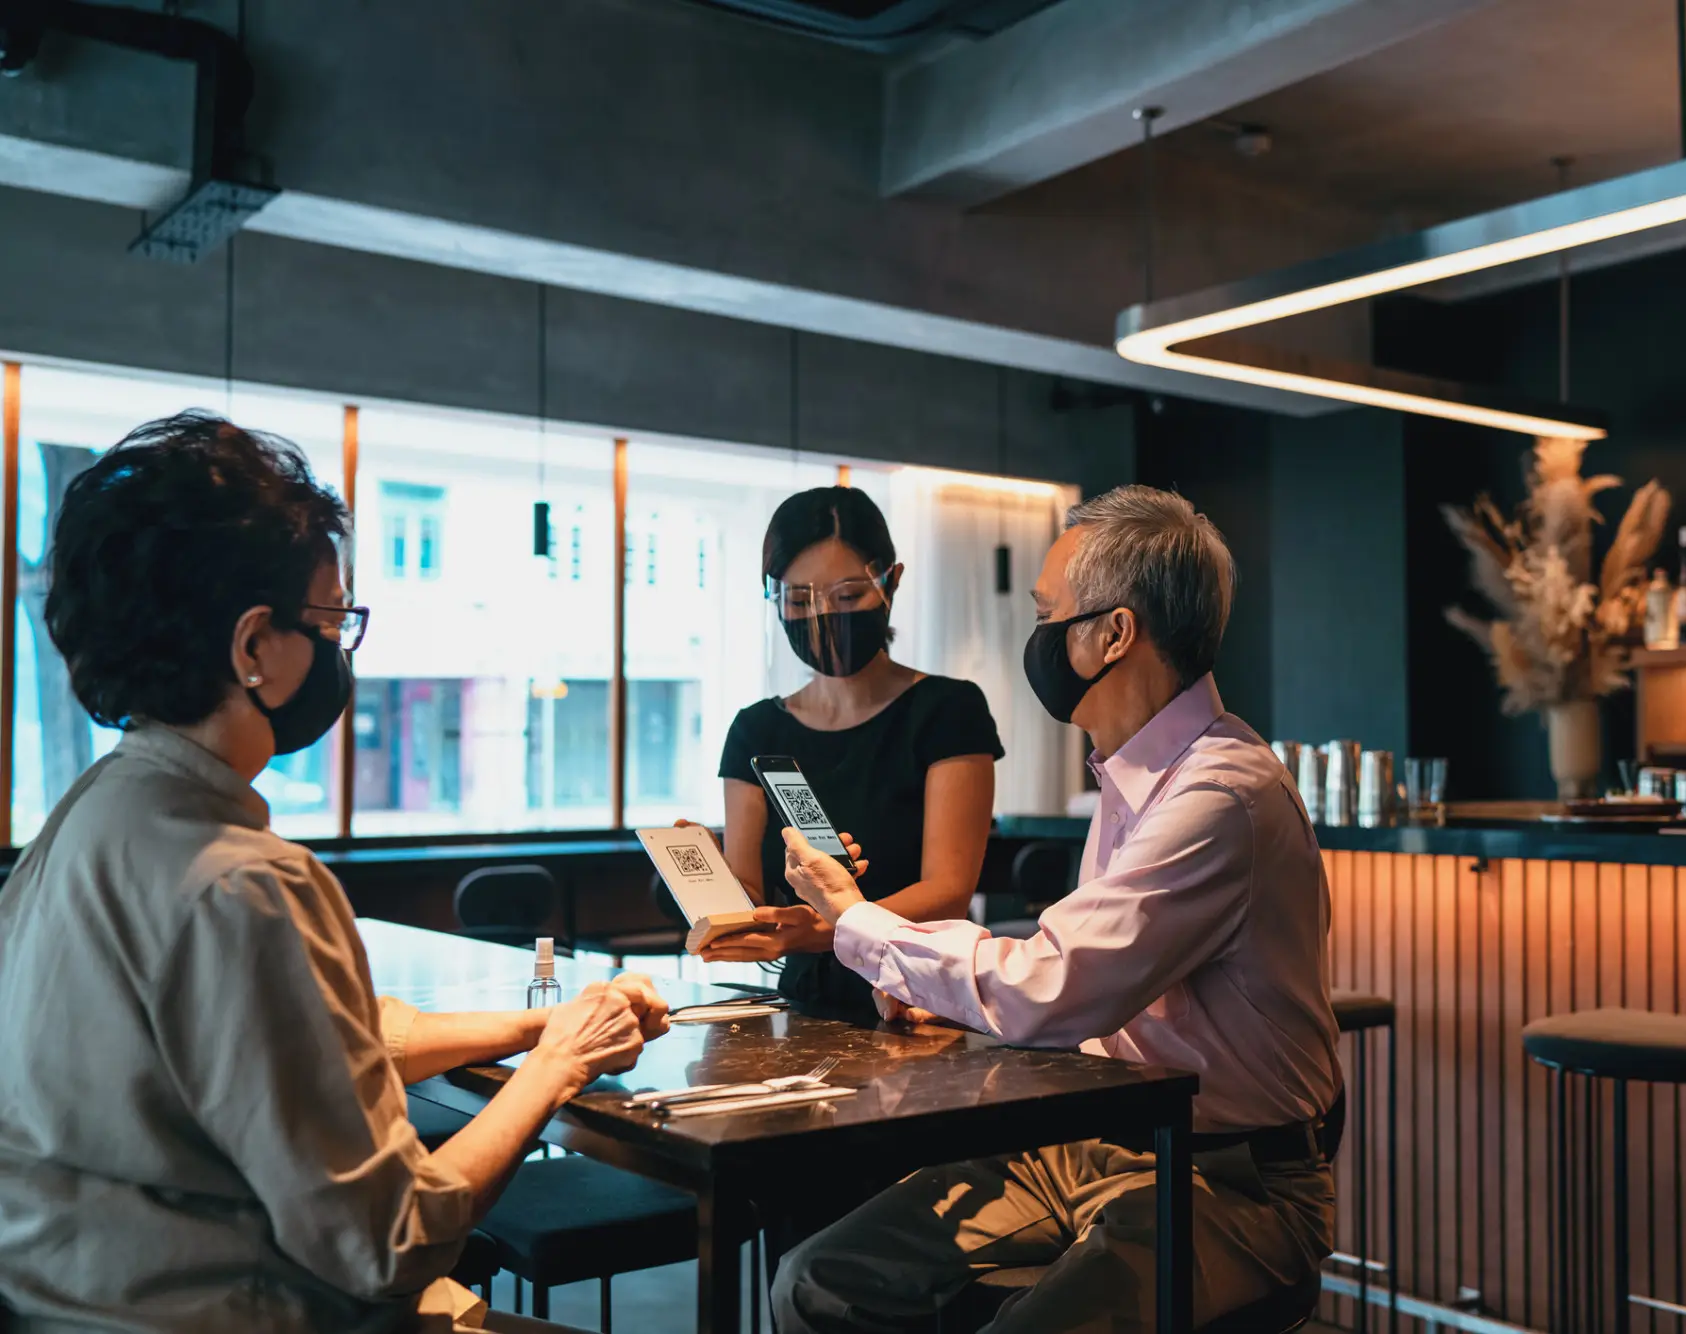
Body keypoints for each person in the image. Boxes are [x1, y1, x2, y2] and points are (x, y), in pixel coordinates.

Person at [0, 413, 672, 1334]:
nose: (341, 648)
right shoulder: (248, 884)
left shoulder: (83, 822)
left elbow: (304, 1049)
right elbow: (388, 1242)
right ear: (252, 649)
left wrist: (538, 1024)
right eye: (331, 620)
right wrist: (555, 1068)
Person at [769, 485, 1343, 1334]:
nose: (1035, 638)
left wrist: (857, 921)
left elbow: (1054, 985)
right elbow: (1070, 955)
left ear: (1113, 634)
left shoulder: (1222, 793)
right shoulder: (1131, 772)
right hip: (1099, 1141)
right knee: (818, 1281)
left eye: (1048, 614)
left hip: (1229, 1179)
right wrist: (929, 981)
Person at [701, 486, 1004, 1024]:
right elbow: (747, 897)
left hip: (920, 1004)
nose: (821, 616)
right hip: (799, 1012)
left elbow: (949, 892)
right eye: (798, 601)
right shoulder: (756, 730)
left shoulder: (947, 711)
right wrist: (707, 884)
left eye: (846, 596)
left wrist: (829, 928)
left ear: (892, 581)